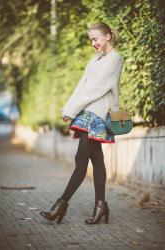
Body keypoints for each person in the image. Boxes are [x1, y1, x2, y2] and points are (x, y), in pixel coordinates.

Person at [40, 21, 124, 225]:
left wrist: (73, 110)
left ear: (108, 37)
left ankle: (60, 206)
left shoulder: (115, 59)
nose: (93, 43)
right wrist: (68, 108)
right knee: (96, 160)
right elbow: (82, 85)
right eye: (91, 40)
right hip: (87, 115)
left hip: (97, 117)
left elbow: (96, 89)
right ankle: (101, 206)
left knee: (80, 161)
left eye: (95, 39)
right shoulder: (95, 60)